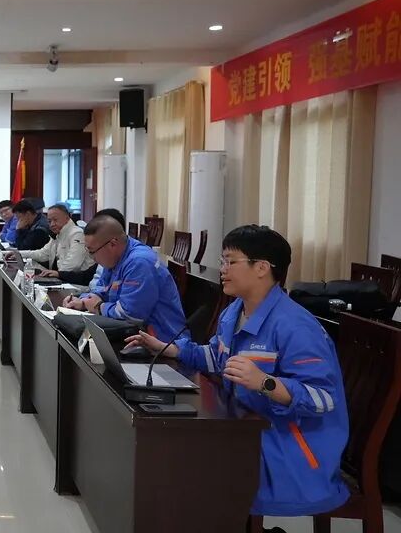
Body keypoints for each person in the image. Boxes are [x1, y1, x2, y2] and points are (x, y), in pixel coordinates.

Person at [126, 226, 349, 525]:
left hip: (292, 448)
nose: (223, 269)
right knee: (176, 450)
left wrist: (266, 383)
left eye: (231, 261)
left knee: (191, 462)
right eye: (222, 261)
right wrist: (170, 349)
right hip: (248, 428)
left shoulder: (296, 326)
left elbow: (324, 399)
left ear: (262, 268)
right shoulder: (234, 312)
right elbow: (218, 359)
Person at [62, 214, 185, 342]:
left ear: (112, 244)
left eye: (92, 251)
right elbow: (102, 289)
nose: (91, 257)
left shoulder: (139, 262)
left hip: (161, 342)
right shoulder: (114, 258)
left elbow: (131, 315)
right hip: (134, 334)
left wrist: (98, 307)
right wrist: (82, 302)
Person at [20, 203, 93, 280]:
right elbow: (42, 254)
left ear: (67, 218)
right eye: (49, 221)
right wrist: (19, 253)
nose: (52, 224)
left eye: (55, 220)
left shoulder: (77, 234)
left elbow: (73, 265)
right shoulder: (57, 234)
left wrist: (57, 274)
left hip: (76, 282)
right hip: (62, 278)